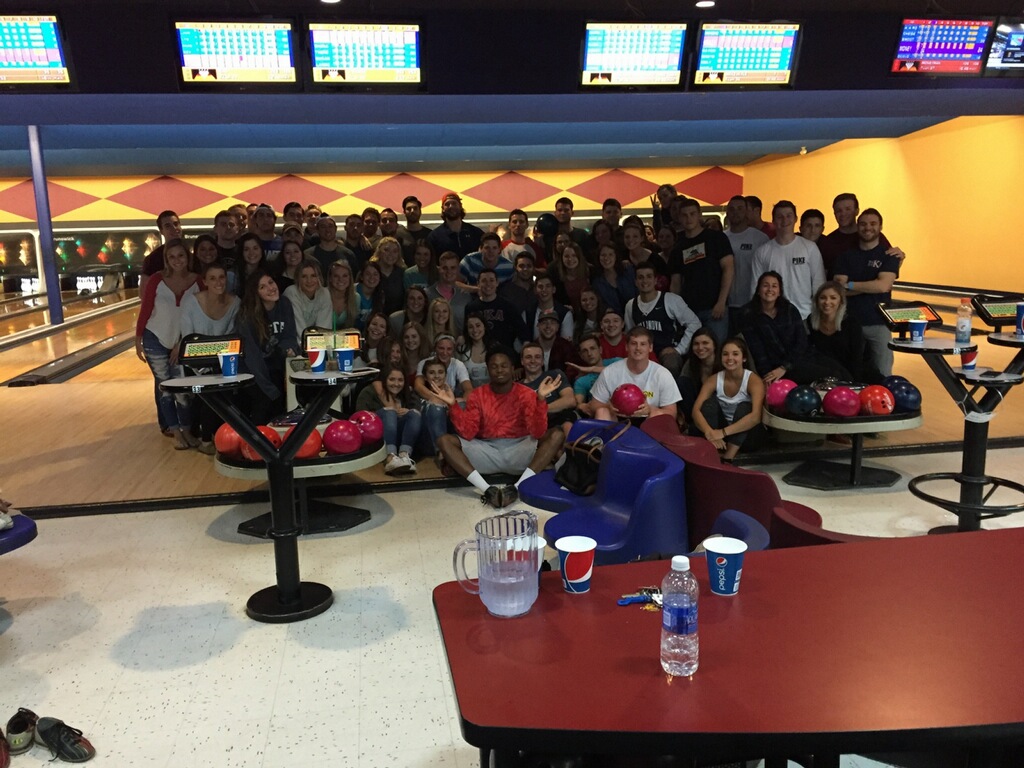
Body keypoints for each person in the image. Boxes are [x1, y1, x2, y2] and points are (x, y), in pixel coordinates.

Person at [433, 347, 566, 508]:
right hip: (486, 450)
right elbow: (468, 433)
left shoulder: (527, 394)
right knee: (444, 440)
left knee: (557, 434)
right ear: (488, 370)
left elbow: (537, 432)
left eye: (504, 366)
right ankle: (487, 490)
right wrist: (453, 405)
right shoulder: (477, 394)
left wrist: (540, 400)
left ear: (512, 368)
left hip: (520, 449)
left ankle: (516, 489)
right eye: (494, 366)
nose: (499, 370)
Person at [134, 238, 200, 449]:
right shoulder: (156, 279)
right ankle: (175, 431)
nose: (176, 260)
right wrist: (138, 338)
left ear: (187, 257)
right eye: (171, 257)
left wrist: (182, 343)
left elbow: (197, 315)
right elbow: (146, 309)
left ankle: (187, 430)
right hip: (154, 338)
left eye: (180, 255)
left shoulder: (198, 281)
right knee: (165, 387)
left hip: (182, 342)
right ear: (166, 259)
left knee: (182, 388)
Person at [178, 261, 241, 454]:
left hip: (221, 360)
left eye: (221, 277)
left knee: (223, 390)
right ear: (204, 281)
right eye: (212, 278)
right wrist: (204, 363)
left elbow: (232, 337)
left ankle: (217, 435)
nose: (218, 282)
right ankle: (206, 440)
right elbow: (188, 341)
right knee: (210, 390)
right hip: (194, 361)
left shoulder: (235, 303)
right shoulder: (191, 302)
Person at [741, 271, 846, 386]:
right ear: (758, 290)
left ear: (779, 292)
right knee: (833, 374)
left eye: (774, 286)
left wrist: (785, 366)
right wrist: (767, 375)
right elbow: (758, 351)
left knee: (841, 370)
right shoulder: (749, 315)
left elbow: (801, 342)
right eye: (765, 285)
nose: (770, 289)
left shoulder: (789, 309)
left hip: (799, 359)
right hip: (776, 368)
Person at [834, 208, 901, 377]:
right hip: (849, 323)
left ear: (880, 227)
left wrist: (850, 285)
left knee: (883, 374)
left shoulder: (889, 255)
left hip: (879, 323)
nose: (868, 227)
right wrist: (872, 285)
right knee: (850, 373)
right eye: (863, 224)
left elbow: (883, 286)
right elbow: (838, 290)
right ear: (858, 226)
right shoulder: (845, 256)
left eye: (873, 223)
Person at [236, 270, 299, 424]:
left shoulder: (284, 304)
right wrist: (269, 389)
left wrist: (288, 349)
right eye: (262, 287)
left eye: (271, 282)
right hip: (252, 372)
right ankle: (256, 437)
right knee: (265, 401)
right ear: (255, 293)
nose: (270, 288)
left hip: (276, 367)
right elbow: (252, 357)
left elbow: (290, 336)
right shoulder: (246, 316)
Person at [691, 337, 765, 461]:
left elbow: (755, 417)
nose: (730, 358)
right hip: (720, 436)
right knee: (709, 403)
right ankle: (713, 449)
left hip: (747, 437)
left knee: (745, 407)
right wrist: (710, 433)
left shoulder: (753, 380)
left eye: (735, 354)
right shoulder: (714, 379)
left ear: (744, 358)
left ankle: (728, 457)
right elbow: (696, 410)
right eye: (725, 354)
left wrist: (722, 432)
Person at [749, 200, 825, 320]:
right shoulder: (762, 252)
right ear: (773, 221)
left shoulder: (810, 248)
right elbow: (755, 288)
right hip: (772, 318)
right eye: (780, 217)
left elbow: (819, 284)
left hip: (805, 316)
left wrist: (819, 315)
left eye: (789, 216)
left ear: (795, 219)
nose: (784, 220)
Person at [589, 327, 680, 422]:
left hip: (648, 421)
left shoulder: (662, 374)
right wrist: (608, 406)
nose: (638, 348)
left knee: (656, 414)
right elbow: (594, 405)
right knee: (602, 411)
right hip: (617, 420)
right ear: (626, 347)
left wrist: (650, 409)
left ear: (650, 348)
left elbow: (672, 413)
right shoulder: (609, 371)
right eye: (633, 343)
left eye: (643, 344)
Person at [625, 263, 699, 379]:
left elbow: (695, 323)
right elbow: (630, 333)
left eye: (649, 276)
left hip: (667, 352)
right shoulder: (630, 305)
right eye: (641, 277)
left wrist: (679, 349)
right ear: (635, 282)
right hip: (643, 353)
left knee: (671, 364)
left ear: (655, 280)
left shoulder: (671, 299)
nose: (645, 281)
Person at [807, 281, 880, 383]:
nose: (827, 302)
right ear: (817, 301)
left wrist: (854, 384)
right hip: (828, 373)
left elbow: (857, 358)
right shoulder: (811, 320)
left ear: (841, 302)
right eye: (823, 298)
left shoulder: (851, 323)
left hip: (855, 372)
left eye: (833, 298)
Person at [355, 365, 421, 475]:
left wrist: (408, 411)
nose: (396, 384)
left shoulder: (408, 393)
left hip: (400, 438)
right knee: (390, 412)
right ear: (384, 380)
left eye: (400, 380)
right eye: (392, 379)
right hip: (375, 437)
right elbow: (359, 418)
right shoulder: (369, 392)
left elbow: (417, 408)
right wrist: (382, 413)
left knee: (414, 414)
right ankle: (390, 458)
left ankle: (404, 456)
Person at [818, 193, 900, 279]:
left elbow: (889, 265)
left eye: (848, 209)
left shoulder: (874, 236)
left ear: (856, 211)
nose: (843, 214)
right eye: (839, 210)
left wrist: (899, 258)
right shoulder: (827, 242)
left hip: (872, 287)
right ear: (834, 213)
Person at [723, 195, 769, 334]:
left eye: (740, 208)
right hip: (726, 305)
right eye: (732, 209)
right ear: (727, 213)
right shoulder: (721, 238)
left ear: (747, 211)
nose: (735, 212)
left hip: (752, 304)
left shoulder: (760, 238)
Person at [465, 268, 529, 350]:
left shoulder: (508, 306)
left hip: (504, 351)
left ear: (497, 283)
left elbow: (522, 330)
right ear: (478, 284)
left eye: (491, 280)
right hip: (479, 352)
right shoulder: (471, 307)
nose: (488, 284)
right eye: (484, 281)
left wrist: (526, 344)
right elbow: (466, 331)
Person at [520, 341, 577, 430]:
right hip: (534, 428)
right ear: (522, 361)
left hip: (561, 420)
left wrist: (540, 410)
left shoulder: (555, 375)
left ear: (543, 361)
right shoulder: (517, 387)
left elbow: (570, 401)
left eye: (537, 357)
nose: (533, 361)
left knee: (567, 421)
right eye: (528, 357)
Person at [568, 332, 616, 418]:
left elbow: (622, 370)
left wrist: (592, 369)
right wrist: (581, 406)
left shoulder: (615, 362)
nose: (589, 353)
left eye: (592, 348)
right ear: (581, 356)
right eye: (585, 351)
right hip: (600, 412)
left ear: (600, 350)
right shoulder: (582, 380)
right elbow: (578, 402)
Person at [678, 328, 718, 429]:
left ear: (714, 345)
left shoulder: (724, 362)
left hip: (717, 408)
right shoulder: (691, 363)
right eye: (696, 344)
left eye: (705, 343)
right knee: (682, 382)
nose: (700, 347)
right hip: (696, 408)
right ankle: (691, 424)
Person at [427, 250, 472, 333]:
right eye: (445, 268)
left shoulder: (466, 296)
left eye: (453, 268)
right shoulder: (427, 294)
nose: (449, 271)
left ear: (458, 269)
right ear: (439, 269)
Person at [283, 258, 332, 335]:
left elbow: (324, 327)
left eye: (313, 276)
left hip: (314, 339)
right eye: (304, 276)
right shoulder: (291, 292)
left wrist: (319, 341)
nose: (309, 280)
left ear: (319, 278)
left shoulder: (324, 293)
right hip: (293, 338)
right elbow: (299, 328)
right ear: (298, 279)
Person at [427, 192, 484, 258]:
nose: (451, 206)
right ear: (443, 209)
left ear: (460, 206)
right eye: (447, 204)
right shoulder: (434, 237)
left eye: (454, 203)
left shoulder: (476, 233)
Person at [139, 210, 182, 292]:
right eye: (168, 226)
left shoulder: (191, 256)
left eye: (176, 224)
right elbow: (143, 293)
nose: (174, 228)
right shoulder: (152, 260)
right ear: (161, 231)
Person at [591, 241, 636, 315]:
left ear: (616, 256)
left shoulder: (628, 270)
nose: (606, 258)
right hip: (614, 318)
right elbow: (602, 305)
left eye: (610, 254)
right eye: (603, 255)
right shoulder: (597, 283)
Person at [548, 243, 589, 313]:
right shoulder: (556, 277)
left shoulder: (589, 272)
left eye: (574, 255)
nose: (570, 259)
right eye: (566, 256)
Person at [372, 236, 406, 315]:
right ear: (379, 251)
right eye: (386, 250)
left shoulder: (402, 273)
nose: (391, 254)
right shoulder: (370, 271)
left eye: (395, 251)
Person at [457, 313, 491, 389]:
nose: (475, 330)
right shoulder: (461, 349)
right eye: (470, 327)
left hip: (492, 393)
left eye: (478, 325)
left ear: (484, 326)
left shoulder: (494, 348)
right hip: (470, 392)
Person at [397, 195, 433, 265]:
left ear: (420, 211)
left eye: (415, 208)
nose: (412, 211)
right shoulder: (398, 234)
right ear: (404, 212)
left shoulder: (430, 234)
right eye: (409, 209)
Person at [327, 259, 360, 330]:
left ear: (350, 278)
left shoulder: (356, 298)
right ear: (330, 278)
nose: (340, 279)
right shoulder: (322, 296)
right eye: (336, 276)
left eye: (345, 276)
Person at [232, 232, 267, 297]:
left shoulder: (269, 272)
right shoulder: (232, 276)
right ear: (241, 253)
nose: (251, 252)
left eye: (255, 248)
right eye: (246, 249)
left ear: (261, 250)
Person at [355, 261, 384, 329]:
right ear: (361, 277)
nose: (372, 277)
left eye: (375, 274)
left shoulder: (381, 295)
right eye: (368, 274)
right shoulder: (352, 291)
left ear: (380, 278)